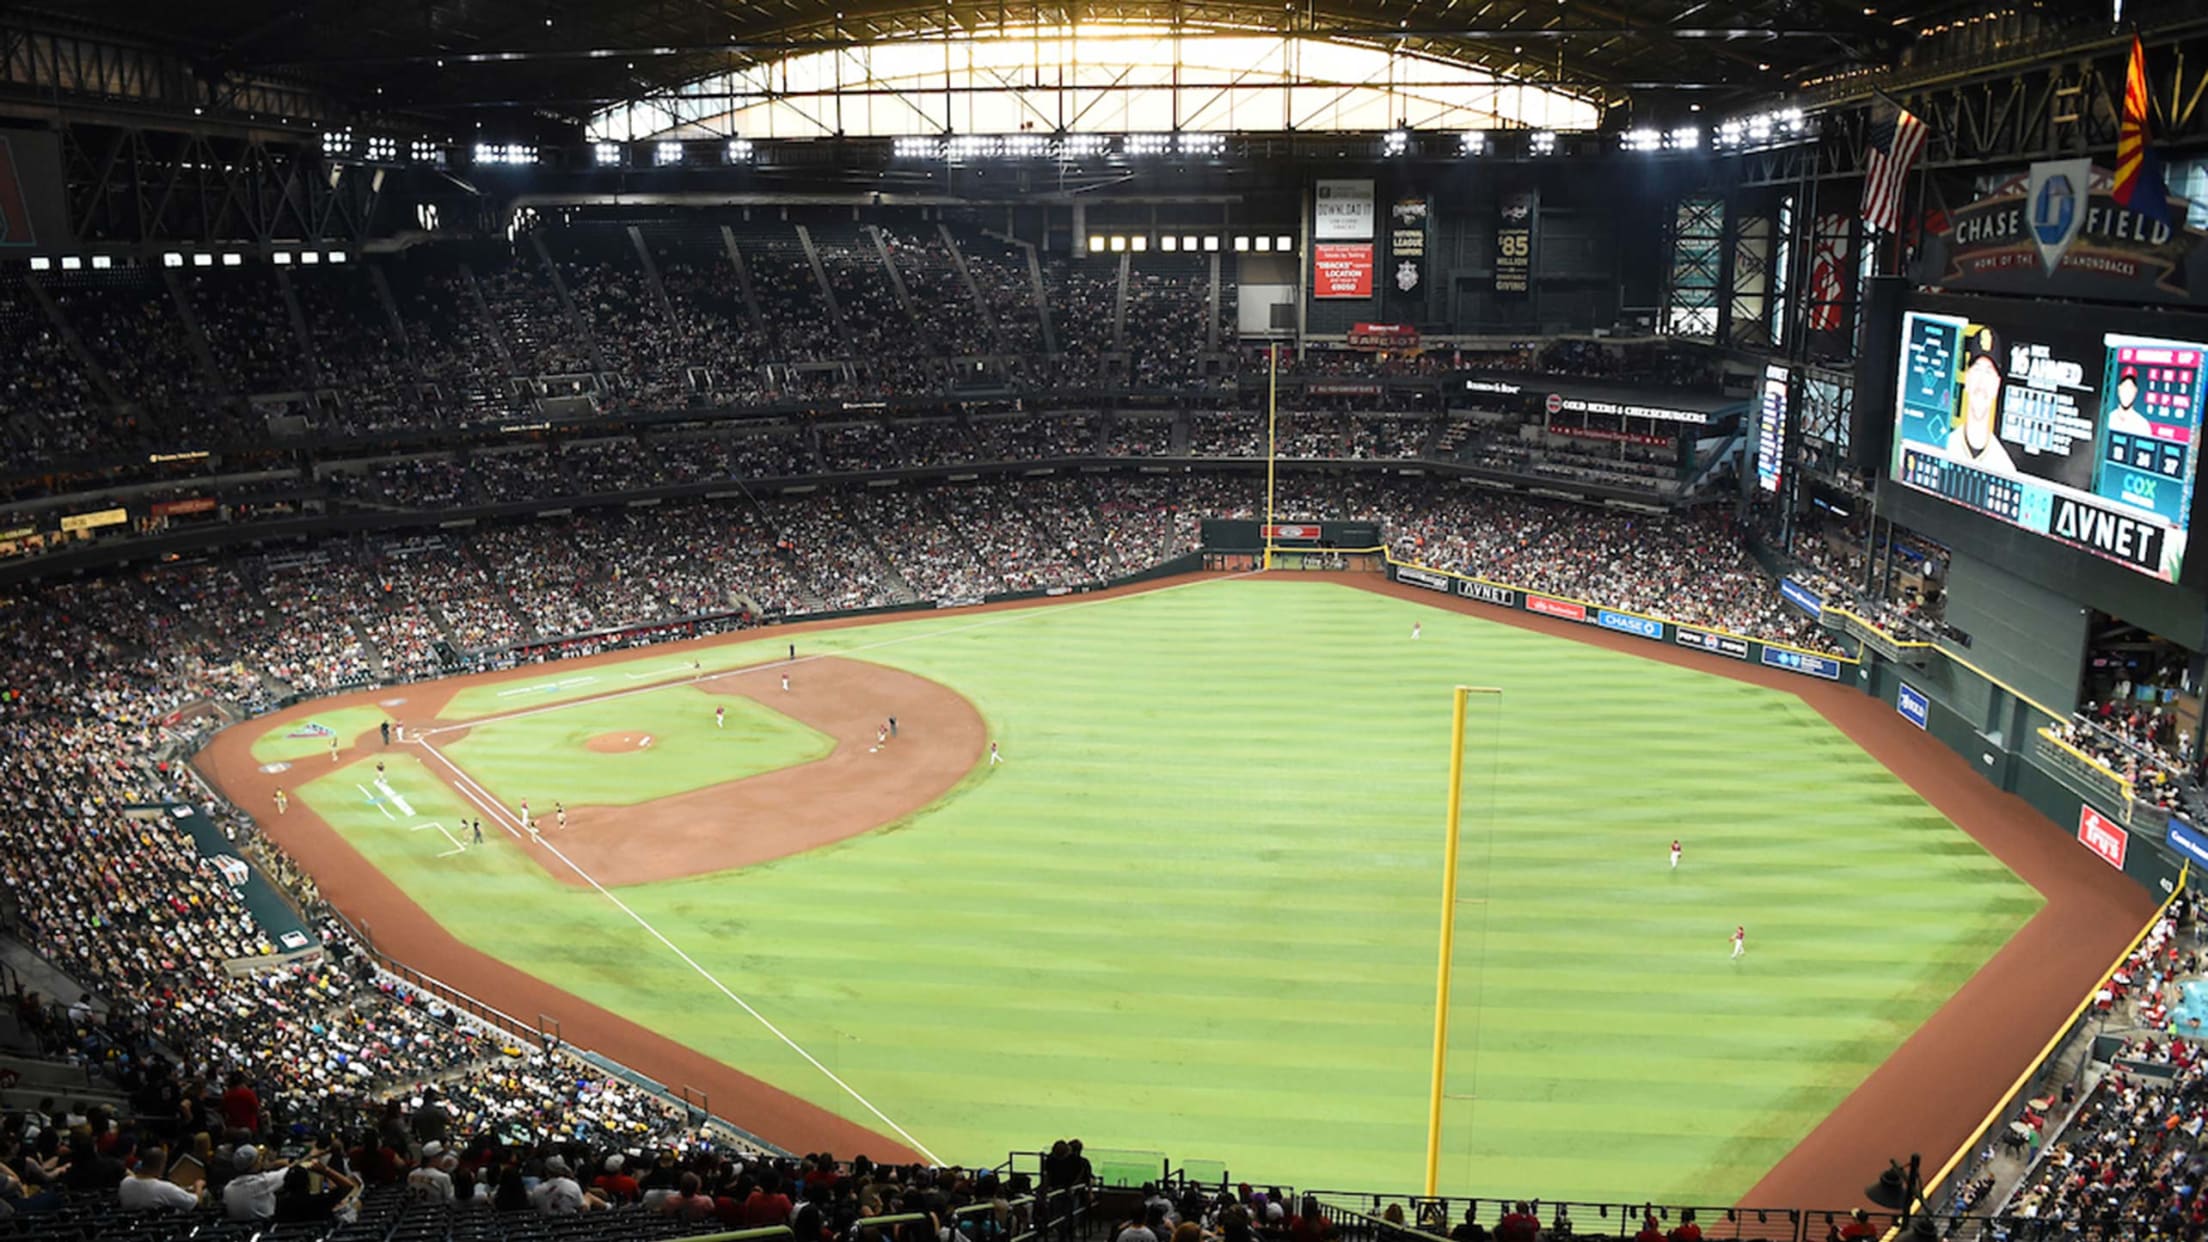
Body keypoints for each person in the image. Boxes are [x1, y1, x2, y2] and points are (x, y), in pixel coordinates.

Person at [1942, 326, 2017, 476]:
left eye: (1989, 371)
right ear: (1967, 379)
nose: (1981, 381)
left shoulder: (2005, 468)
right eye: (1977, 369)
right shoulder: (1944, 448)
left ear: (1996, 385)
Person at [117, 1145, 201, 1210]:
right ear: (161, 1166)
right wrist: (199, 1186)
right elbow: (195, 1204)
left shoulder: (125, 1183)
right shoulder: (164, 1188)